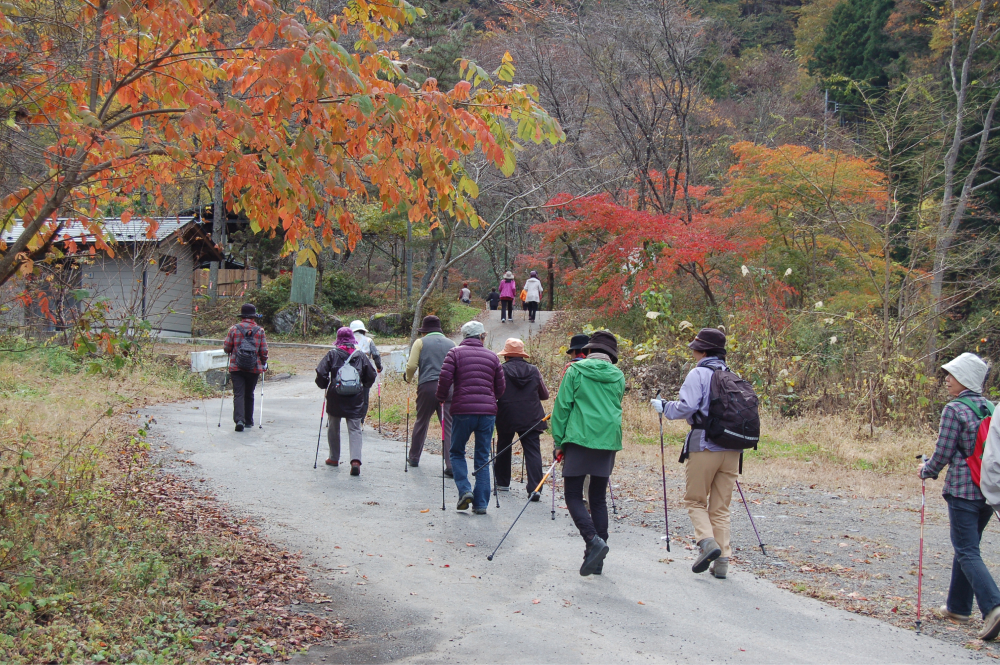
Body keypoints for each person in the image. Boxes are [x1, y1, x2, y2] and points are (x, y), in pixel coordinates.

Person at [920, 352, 1000, 639]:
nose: (947, 380)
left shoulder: (954, 409)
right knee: (968, 546)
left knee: (967, 550)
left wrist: (926, 470)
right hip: (989, 490)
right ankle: (958, 608)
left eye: (951, 375)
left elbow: (942, 452)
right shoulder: (990, 408)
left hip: (963, 490)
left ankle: (994, 607)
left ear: (965, 378)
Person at [658, 327, 737, 579]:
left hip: (703, 444)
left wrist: (664, 408)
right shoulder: (733, 374)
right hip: (733, 448)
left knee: (695, 500)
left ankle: (706, 542)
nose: (693, 351)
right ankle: (722, 560)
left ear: (702, 350)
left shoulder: (698, 373)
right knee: (720, 507)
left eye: (696, 347)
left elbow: (686, 407)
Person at [551, 330, 625, 576]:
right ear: (611, 356)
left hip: (579, 437)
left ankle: (593, 541)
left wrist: (559, 442)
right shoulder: (618, 375)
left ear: (590, 350)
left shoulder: (575, 371)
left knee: (572, 494)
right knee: (598, 498)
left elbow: (562, 407)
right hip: (608, 440)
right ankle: (597, 560)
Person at [437, 320, 505, 514]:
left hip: (463, 411)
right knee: (483, 456)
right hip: (487, 413)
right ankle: (481, 503)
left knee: (456, 451)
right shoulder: (492, 357)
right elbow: (501, 388)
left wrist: (441, 398)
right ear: (482, 336)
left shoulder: (455, 353)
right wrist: (490, 398)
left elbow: (444, 379)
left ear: (464, 336)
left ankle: (465, 490)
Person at [315, 327, 377, 476]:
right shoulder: (360, 355)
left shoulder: (332, 354)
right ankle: (355, 461)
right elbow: (371, 375)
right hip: (355, 397)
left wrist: (324, 385)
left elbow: (321, 372)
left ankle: (334, 458)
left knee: (333, 427)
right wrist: (364, 386)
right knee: (355, 429)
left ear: (338, 340)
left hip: (335, 396)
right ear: (352, 340)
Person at [494, 338, 549, 497]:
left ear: (506, 356)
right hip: (531, 415)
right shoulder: (534, 370)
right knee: (532, 450)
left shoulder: (501, 370)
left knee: (504, 446)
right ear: (522, 355)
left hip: (506, 414)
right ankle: (535, 488)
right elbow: (544, 395)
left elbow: (496, 392)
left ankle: (503, 483)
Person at [405, 315, 456, 475]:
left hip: (427, 386)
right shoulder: (452, 343)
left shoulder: (420, 342)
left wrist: (408, 378)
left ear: (424, 331)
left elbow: (412, 365)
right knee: (448, 425)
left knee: (422, 420)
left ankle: (414, 457)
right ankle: (451, 464)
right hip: (448, 388)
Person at [222, 303, 268, 432]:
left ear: (242, 316)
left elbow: (226, 348)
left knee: (238, 394)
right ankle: (248, 420)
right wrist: (264, 362)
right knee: (249, 393)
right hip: (254, 367)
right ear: (253, 317)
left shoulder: (234, 329)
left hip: (236, 367)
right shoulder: (259, 330)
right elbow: (263, 351)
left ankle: (239, 420)